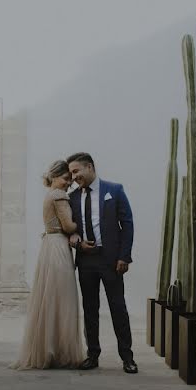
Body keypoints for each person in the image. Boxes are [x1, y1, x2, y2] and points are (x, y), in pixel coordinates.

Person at [67, 152, 138, 374]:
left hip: (111, 261)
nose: (73, 177)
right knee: (90, 309)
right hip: (86, 261)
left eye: (76, 171)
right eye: (71, 173)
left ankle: (127, 357)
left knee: (118, 308)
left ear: (89, 167)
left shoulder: (114, 190)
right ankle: (92, 355)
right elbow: (71, 231)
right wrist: (78, 245)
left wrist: (124, 256)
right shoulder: (73, 198)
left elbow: (127, 224)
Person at [11, 160, 85, 369]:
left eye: (69, 181)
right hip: (59, 246)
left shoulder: (49, 195)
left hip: (49, 244)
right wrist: (86, 224)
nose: (67, 183)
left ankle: (48, 347)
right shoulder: (60, 196)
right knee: (62, 297)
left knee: (50, 296)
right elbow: (69, 225)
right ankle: (60, 351)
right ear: (54, 176)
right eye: (65, 179)